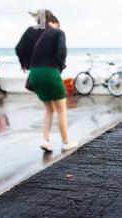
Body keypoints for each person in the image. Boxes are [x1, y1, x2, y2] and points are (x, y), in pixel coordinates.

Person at [15, 10, 78, 152]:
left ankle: (45, 140)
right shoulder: (58, 32)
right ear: (53, 22)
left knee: (49, 109)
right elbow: (62, 53)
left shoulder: (31, 31)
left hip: (34, 73)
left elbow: (19, 48)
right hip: (50, 72)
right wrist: (59, 68)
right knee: (61, 110)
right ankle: (66, 142)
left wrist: (24, 63)